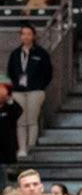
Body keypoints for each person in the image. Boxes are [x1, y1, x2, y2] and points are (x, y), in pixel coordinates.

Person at [7, 24, 53, 158]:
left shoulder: (41, 53)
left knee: (31, 119)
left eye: (29, 34)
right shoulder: (16, 53)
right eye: (23, 34)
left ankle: (30, 146)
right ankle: (21, 148)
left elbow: (48, 72)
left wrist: (40, 85)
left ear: (33, 36)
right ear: (20, 36)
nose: (26, 37)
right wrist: (16, 84)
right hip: (19, 90)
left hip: (35, 90)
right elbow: (11, 71)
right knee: (20, 120)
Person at [0, 82, 23, 164]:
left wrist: (11, 101)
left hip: (9, 141)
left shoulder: (10, 107)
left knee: (10, 162)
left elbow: (18, 112)